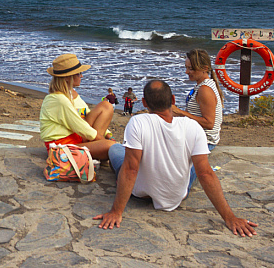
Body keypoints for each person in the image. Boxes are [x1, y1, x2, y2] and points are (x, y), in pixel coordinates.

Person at [97, 80, 257, 237]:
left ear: (144, 103)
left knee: (115, 148)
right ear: (173, 100)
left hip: (140, 193)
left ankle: (118, 170)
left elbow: (131, 169)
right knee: (198, 167)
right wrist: (230, 218)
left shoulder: (138, 122)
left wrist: (116, 212)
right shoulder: (193, 126)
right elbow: (206, 174)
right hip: (178, 196)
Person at [39, 53, 116, 160]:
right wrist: (102, 141)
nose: (82, 76)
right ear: (67, 77)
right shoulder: (58, 100)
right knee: (111, 147)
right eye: (79, 73)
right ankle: (100, 151)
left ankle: (99, 151)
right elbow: (80, 126)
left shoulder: (73, 94)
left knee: (106, 106)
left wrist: (108, 135)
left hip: (78, 138)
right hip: (62, 146)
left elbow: (87, 114)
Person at [171, 48, 224, 187]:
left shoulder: (205, 90)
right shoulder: (203, 85)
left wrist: (180, 112)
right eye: (186, 68)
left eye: (191, 68)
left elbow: (209, 123)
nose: (187, 72)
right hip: (199, 136)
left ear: (204, 69)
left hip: (205, 140)